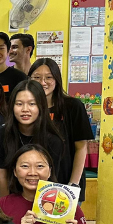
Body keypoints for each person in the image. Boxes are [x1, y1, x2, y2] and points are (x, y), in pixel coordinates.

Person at [29, 58, 94, 200]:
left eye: (49, 77)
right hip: (33, 184)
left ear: (57, 79)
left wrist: (73, 185)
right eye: (37, 77)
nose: (43, 82)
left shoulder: (73, 106)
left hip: (67, 182)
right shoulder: (26, 108)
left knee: (66, 222)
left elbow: (81, 147)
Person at [0, 80, 67, 197]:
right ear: (12, 106)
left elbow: (50, 180)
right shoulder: (0, 135)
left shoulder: (54, 140)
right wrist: (5, 210)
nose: (25, 109)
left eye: (32, 104)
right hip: (12, 197)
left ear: (41, 106)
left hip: (42, 199)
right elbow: (3, 177)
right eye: (19, 104)